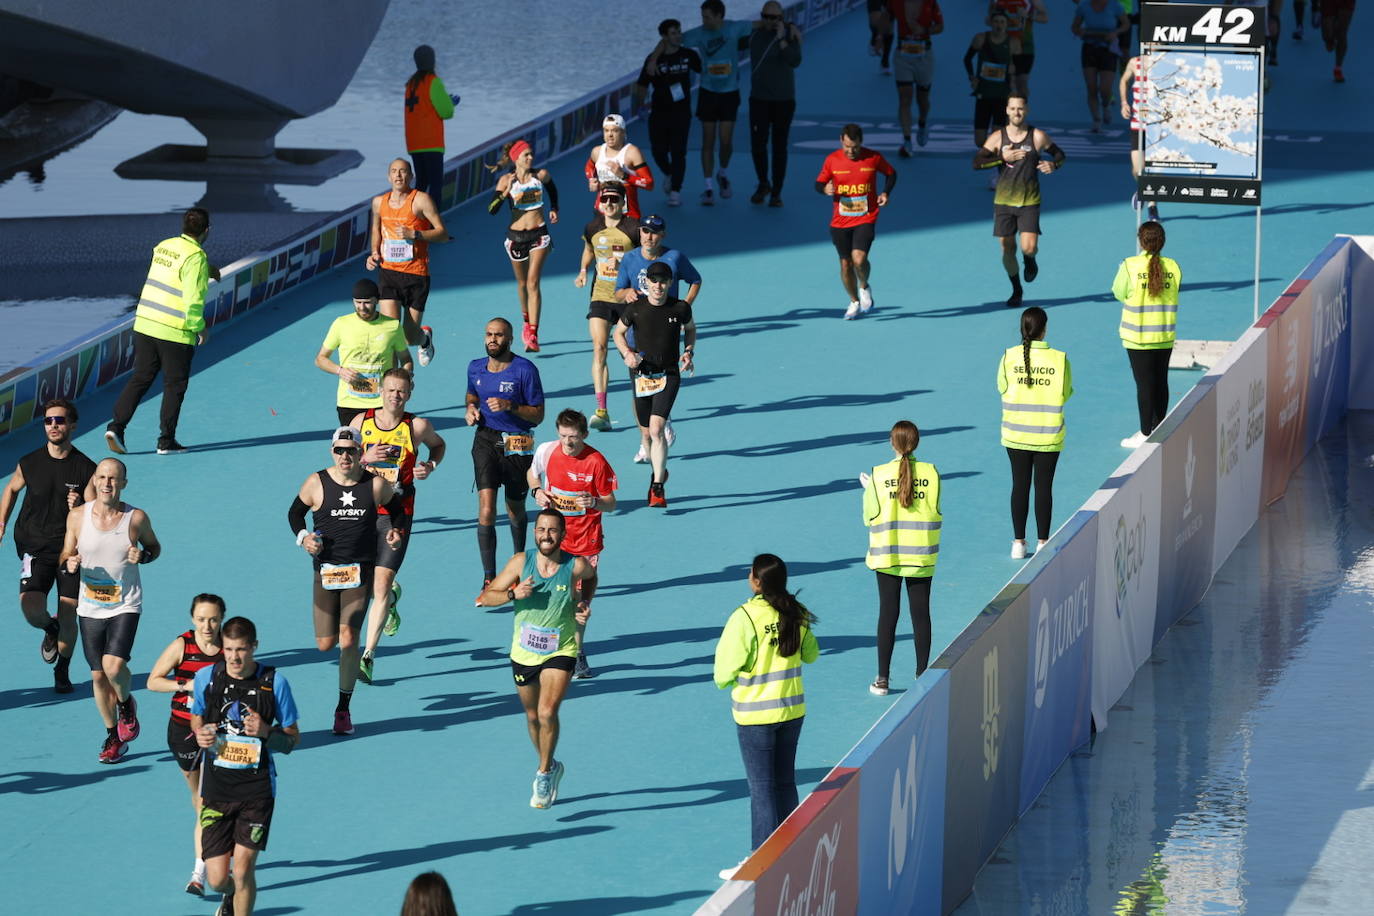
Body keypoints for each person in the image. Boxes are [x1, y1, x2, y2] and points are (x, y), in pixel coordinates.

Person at [287, 427, 404, 736]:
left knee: (349, 640)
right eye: (339, 450)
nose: (344, 456)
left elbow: (396, 509)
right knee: (326, 644)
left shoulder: (375, 485)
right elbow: (294, 514)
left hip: (360, 572)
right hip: (325, 572)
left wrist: (394, 530)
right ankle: (389, 600)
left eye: (350, 450)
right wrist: (304, 539)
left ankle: (343, 709)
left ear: (359, 453)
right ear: (332, 452)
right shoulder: (316, 482)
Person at [478, 510, 596, 809]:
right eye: (541, 529)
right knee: (532, 717)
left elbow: (592, 578)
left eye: (553, 530)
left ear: (563, 534)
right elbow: (487, 596)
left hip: (561, 649)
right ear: (534, 533)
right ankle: (551, 763)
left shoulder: (575, 565)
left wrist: (583, 601)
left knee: (546, 712)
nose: (546, 534)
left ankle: (543, 773)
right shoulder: (520, 562)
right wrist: (513, 594)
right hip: (524, 652)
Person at [714, 553, 819, 879]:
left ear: (756, 581)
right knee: (786, 782)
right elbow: (811, 654)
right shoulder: (795, 612)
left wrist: (735, 680)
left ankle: (761, 863)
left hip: (756, 715)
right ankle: (791, 851)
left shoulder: (745, 617)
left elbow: (723, 672)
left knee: (761, 789)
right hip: (792, 710)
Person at [190, 615, 299, 916]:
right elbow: (197, 717)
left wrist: (266, 732)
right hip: (216, 789)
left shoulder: (274, 683)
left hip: (257, 790)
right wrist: (201, 734)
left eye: (241, 650)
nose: (234, 657)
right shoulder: (206, 679)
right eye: (228, 650)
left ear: (254, 647)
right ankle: (231, 897)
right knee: (216, 880)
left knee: (243, 869)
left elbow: (292, 740)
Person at [60, 457, 161, 762]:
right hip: (90, 606)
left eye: (113, 479)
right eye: (102, 477)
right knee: (98, 678)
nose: (106, 483)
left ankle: (126, 703)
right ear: (95, 481)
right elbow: (66, 553)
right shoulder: (77, 517)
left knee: (113, 666)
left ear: (123, 484)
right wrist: (70, 562)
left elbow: (155, 548)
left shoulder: (136, 518)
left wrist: (142, 556)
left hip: (125, 603)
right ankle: (112, 736)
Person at [349, 368, 446, 684]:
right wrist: (364, 459)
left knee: (379, 585)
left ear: (410, 392)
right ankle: (391, 600)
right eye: (390, 390)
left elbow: (439, 446)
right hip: (361, 513)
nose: (395, 396)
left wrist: (429, 466)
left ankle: (368, 656)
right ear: (381, 391)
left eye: (401, 391)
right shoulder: (359, 424)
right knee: (362, 585)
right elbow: (341, 463)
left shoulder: (417, 426)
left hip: (397, 514)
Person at [0, 397, 95, 694]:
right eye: (48, 421)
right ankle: (49, 628)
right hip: (35, 547)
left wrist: (80, 505)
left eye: (60, 420)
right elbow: (12, 488)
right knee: (30, 607)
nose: (54, 425)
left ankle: (62, 670)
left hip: (70, 552)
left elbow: (95, 513)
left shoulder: (85, 468)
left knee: (69, 612)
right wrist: (1, 523)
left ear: (73, 425)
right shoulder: (29, 462)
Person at [106, 207, 218, 455]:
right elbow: (193, 299)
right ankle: (166, 441)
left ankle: (116, 427)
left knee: (141, 377)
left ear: (184, 226)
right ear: (206, 230)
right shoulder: (196, 257)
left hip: (146, 322)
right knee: (174, 385)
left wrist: (208, 268)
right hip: (174, 331)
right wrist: (199, 329)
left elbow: (171, 273)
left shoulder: (164, 246)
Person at [145, 593, 226, 897]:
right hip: (182, 733)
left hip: (219, 734)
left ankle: (198, 873)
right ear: (193, 619)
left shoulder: (227, 648)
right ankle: (213, 841)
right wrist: (186, 685)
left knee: (209, 800)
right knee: (200, 801)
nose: (208, 625)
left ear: (222, 619)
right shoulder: (182, 645)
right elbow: (153, 681)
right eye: (202, 619)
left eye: (214, 619)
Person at [528, 409, 619, 678]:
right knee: (550, 596)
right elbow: (532, 476)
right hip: (553, 540)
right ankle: (547, 647)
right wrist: (537, 491)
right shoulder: (546, 451)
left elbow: (611, 503)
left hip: (586, 542)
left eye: (574, 437)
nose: (568, 442)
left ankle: (577, 654)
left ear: (585, 435)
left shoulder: (596, 461)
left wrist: (594, 502)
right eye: (564, 436)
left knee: (577, 601)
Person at [859, 420, 940, 694]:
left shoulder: (878, 475)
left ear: (892, 443)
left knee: (888, 614)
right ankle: (922, 674)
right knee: (921, 614)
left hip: (888, 555)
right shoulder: (932, 472)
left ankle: (882, 679)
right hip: (920, 556)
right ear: (916, 443)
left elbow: (869, 518)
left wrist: (869, 490)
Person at [466, 318, 546, 594]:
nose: (493, 339)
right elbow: (471, 394)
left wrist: (510, 406)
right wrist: (471, 409)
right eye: (489, 334)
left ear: (510, 339)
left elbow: (538, 415)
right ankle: (489, 578)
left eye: (499, 335)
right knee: (486, 508)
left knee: (515, 508)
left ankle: (518, 564)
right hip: (485, 440)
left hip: (517, 445)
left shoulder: (525, 370)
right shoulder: (475, 367)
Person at [655, 0, 759, 205]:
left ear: (720, 16)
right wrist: (652, 60)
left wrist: (779, 24)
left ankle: (722, 173)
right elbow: (669, 41)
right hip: (708, 93)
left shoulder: (735, 27)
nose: (704, 20)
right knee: (708, 141)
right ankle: (709, 187)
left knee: (726, 141)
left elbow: (762, 24)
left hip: (730, 93)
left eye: (707, 17)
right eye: (702, 16)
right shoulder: (698, 34)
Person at [613, 261, 696, 507]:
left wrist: (688, 351)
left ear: (670, 283)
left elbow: (690, 329)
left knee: (657, 429)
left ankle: (658, 487)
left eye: (663, 281)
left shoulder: (680, 308)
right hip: (641, 374)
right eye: (654, 280)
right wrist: (627, 353)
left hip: (669, 373)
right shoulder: (634, 309)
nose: (658, 285)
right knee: (647, 433)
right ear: (646, 282)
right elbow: (617, 333)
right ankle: (658, 472)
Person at [972, 96, 1066, 309]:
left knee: (1029, 247)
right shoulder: (997, 138)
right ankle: (1016, 289)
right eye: (1013, 109)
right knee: (1007, 249)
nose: (1016, 112)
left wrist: (1054, 166)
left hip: (1029, 201)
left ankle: (1030, 260)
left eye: (1020, 109)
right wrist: (1003, 159)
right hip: (1003, 202)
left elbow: (1060, 155)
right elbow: (977, 163)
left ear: (1027, 110)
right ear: (1007, 110)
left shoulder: (1038, 136)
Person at [997, 307, 1072, 559]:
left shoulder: (1008, 357)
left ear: (1022, 329)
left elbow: (1001, 387)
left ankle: (1018, 543)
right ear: (1045, 329)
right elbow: (1066, 392)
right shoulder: (1059, 359)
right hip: (1047, 435)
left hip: (1016, 434)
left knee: (1019, 485)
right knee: (1043, 487)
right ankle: (1043, 542)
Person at [366, 158, 450, 367]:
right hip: (389, 273)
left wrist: (417, 234)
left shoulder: (421, 200)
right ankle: (391, 382)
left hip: (416, 274)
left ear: (411, 176)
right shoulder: (379, 202)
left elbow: (443, 233)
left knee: (410, 336)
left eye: (403, 171)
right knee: (391, 332)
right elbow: (376, 229)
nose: (398, 175)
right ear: (388, 176)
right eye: (394, 171)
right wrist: (374, 253)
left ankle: (425, 339)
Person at [576, 183, 641, 431]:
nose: (610, 204)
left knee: (632, 354)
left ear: (623, 202)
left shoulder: (634, 228)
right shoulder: (592, 227)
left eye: (615, 199)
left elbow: (645, 257)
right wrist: (583, 271)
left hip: (628, 298)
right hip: (601, 296)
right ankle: (601, 411)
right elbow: (588, 249)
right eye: (606, 199)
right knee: (599, 348)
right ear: (600, 202)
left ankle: (644, 406)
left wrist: (623, 261)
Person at [815, 123, 897, 320]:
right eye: (847, 147)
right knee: (845, 265)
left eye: (855, 147)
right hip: (839, 222)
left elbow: (891, 174)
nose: (851, 151)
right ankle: (854, 301)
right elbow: (818, 183)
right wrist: (824, 189)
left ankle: (864, 286)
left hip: (865, 217)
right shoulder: (832, 160)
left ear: (861, 142)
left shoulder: (873, 157)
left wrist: (885, 192)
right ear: (841, 141)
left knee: (859, 260)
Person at [1112, 220, 1180, 448]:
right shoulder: (1173, 266)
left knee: (1144, 384)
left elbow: (1118, 293)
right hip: (1163, 334)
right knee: (1161, 381)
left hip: (1138, 337)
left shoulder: (1129, 266)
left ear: (1141, 241)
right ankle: (1160, 428)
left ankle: (1144, 433)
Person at [488, 140, 560, 352]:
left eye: (531, 154)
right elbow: (492, 209)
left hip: (539, 234)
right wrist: (505, 192)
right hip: (516, 237)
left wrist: (554, 208)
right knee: (521, 284)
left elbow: (552, 190)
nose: (530, 158)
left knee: (532, 282)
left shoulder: (541, 175)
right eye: (525, 155)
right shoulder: (506, 180)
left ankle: (534, 333)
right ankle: (526, 321)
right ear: (516, 158)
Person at [315, 278, 413, 427]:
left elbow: (406, 359)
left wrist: (405, 380)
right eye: (358, 302)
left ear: (377, 301)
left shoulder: (392, 326)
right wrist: (340, 371)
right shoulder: (341, 324)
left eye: (367, 302)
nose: (362, 307)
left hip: (383, 401)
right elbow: (320, 359)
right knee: (353, 448)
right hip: (349, 403)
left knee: (382, 449)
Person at [633, 18, 702, 208]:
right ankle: (670, 174)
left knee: (679, 152)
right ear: (664, 36)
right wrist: (640, 104)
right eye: (673, 33)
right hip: (659, 113)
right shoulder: (653, 59)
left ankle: (675, 191)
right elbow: (642, 85)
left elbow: (706, 69)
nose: (678, 36)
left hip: (682, 113)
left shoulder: (689, 55)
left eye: (679, 32)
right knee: (658, 151)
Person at [747, 2, 802, 206]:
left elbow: (795, 61)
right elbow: (729, 36)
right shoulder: (755, 34)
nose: (770, 21)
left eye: (774, 17)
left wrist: (782, 40)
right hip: (759, 99)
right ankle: (763, 183)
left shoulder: (790, 35)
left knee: (779, 147)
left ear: (781, 18)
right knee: (757, 145)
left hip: (783, 100)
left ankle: (777, 191)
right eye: (766, 16)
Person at [885, 0, 944, 158]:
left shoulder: (930, 3)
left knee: (922, 99)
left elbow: (940, 27)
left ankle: (923, 123)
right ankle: (907, 140)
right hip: (902, 55)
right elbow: (887, 20)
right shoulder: (895, 3)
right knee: (905, 98)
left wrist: (924, 30)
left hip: (924, 55)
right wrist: (879, 37)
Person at [404, 44, 460, 203]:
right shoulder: (433, 82)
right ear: (433, 61)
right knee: (435, 185)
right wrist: (450, 103)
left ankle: (414, 220)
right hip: (431, 142)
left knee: (421, 183)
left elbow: (422, 108)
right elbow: (446, 112)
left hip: (414, 143)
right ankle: (434, 224)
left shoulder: (410, 86)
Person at [966, 9, 1019, 158]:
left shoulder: (1013, 43)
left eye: (1002, 22)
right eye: (996, 22)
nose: (999, 25)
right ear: (990, 23)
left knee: (998, 138)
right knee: (979, 141)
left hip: (1002, 95)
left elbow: (1017, 69)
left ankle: (999, 171)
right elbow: (967, 59)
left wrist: (1014, 88)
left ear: (1007, 24)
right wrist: (972, 77)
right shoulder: (980, 39)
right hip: (983, 93)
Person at [1071, 0, 1128, 132]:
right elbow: (1074, 27)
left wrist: (1115, 33)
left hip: (1108, 49)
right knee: (1091, 87)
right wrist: (1080, 31)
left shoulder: (1115, 5)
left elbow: (1126, 24)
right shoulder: (1084, 6)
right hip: (1089, 49)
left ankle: (1106, 106)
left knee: (1105, 88)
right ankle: (1096, 120)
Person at [585, 114, 655, 220]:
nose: (610, 135)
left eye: (615, 131)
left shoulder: (632, 153)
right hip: (602, 212)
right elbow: (589, 167)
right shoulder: (597, 151)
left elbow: (649, 184)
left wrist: (624, 175)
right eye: (606, 131)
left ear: (623, 132)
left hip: (627, 215)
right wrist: (592, 179)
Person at [1119, 53, 1160, 223]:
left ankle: (1152, 206)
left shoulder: (1166, 63)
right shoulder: (1134, 62)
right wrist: (1124, 103)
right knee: (1137, 170)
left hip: (1157, 125)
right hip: (1138, 125)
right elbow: (1123, 81)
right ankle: (1143, 190)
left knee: (1154, 168)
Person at [991, 0, 1048, 98]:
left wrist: (1029, 16)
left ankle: (1021, 111)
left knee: (1022, 84)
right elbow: (988, 19)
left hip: (1025, 48)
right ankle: (1007, 111)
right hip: (1005, 47)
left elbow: (1045, 18)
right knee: (1009, 84)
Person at [1321, 0, 1355, 82]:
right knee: (1328, 35)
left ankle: (1338, 68)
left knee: (1341, 33)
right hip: (1328, 3)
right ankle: (1329, 39)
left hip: (1346, 4)